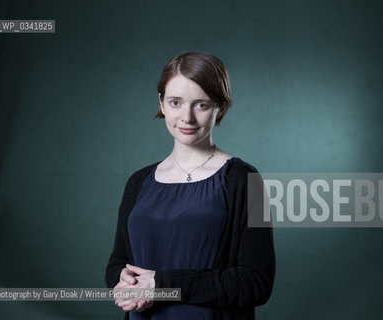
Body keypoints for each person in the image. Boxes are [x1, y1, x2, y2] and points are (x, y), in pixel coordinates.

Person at [105, 51, 275, 320]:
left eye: (201, 105)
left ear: (221, 107)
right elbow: (117, 264)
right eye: (175, 102)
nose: (187, 117)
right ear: (161, 103)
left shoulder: (243, 180)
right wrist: (122, 279)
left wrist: (161, 286)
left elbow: (256, 283)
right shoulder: (138, 183)